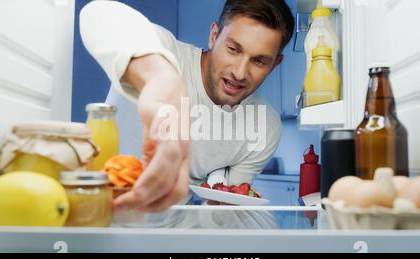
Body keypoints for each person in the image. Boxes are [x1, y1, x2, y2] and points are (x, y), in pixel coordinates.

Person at [80, 0, 295, 213]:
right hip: (98, 210)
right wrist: (160, 79)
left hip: (171, 232)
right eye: (233, 49)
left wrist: (217, 212)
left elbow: (223, 211)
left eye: (259, 61)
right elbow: (98, 14)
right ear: (213, 36)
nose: (239, 72)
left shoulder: (265, 127)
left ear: (275, 64)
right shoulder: (165, 52)